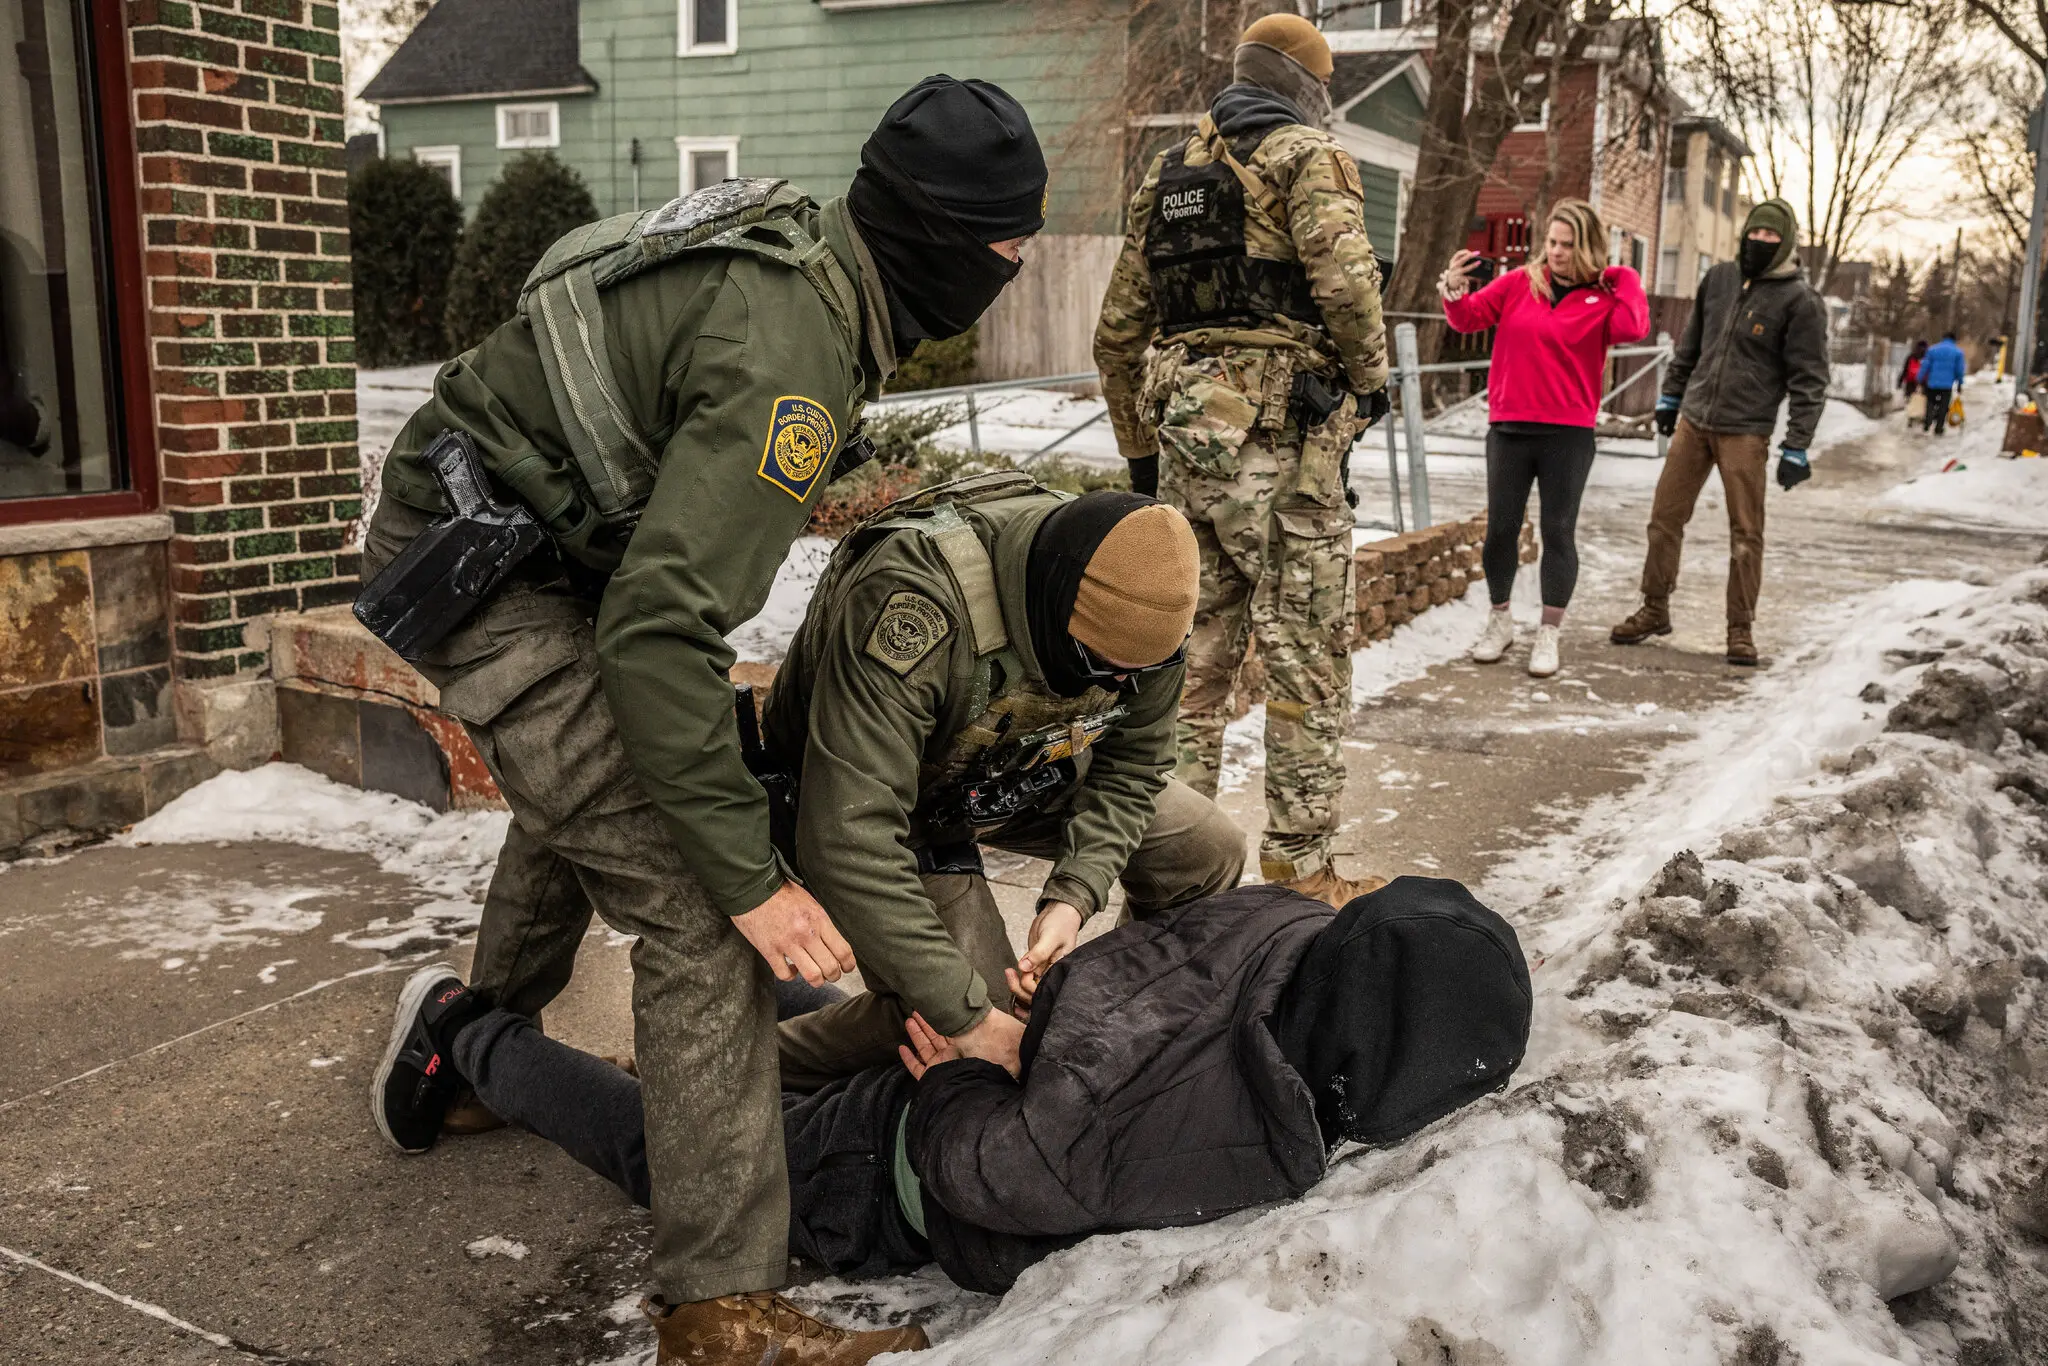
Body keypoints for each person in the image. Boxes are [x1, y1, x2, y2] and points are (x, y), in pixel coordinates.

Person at [362, 77, 1047, 1362]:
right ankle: (719, 1305)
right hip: (487, 565)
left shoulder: (816, 258)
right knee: (697, 916)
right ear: (944, 242)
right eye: (1007, 248)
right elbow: (657, 635)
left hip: (528, 528)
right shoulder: (793, 354)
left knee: (608, 789)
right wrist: (750, 882)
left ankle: (462, 1047)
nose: (1011, 269)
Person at [379, 874, 1532, 1346]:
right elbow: (993, 1173)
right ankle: (464, 1034)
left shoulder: (1284, 931)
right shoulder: (1240, 1134)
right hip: (889, 1172)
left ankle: (715, 994)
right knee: (670, 1153)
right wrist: (963, 1085)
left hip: (993, 1048)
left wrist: (999, 1048)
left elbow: (1141, 968)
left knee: (843, 1032)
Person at [758, 476, 1248, 1087]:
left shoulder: (1146, 620)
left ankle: (1109, 1021)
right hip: (887, 806)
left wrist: (1073, 894)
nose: (1124, 687)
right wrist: (970, 1019)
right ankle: (742, 1068)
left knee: (1205, 849)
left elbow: (1133, 766)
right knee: (960, 1016)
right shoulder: (916, 601)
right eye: (1104, 669)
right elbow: (846, 837)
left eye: (1144, 672)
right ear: (1053, 609)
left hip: (1013, 769)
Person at [1094, 14, 1392, 907]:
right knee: (1307, 655)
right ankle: (1301, 876)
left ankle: (1179, 880)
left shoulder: (1171, 171)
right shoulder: (1308, 159)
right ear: (1306, 83)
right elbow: (1346, 289)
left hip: (1189, 444)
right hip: (1286, 446)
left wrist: (1141, 460)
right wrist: (1370, 383)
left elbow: (1116, 336)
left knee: (1191, 672)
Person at [1610, 199, 1829, 668]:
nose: (1761, 242)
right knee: (1664, 519)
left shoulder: (1800, 301)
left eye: (1772, 237)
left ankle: (1740, 628)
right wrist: (1670, 398)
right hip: (1695, 421)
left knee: (1746, 534)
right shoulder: (1721, 280)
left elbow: (1810, 380)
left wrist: (1797, 445)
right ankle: (1654, 608)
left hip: (1745, 432)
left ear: (1786, 242)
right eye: (1756, 233)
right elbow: (1690, 346)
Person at [1438, 200, 1649, 679]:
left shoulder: (1603, 298)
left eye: (1569, 245)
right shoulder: (1519, 284)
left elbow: (1634, 326)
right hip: (1509, 427)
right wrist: (1453, 287)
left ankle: (1548, 632)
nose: (1556, 252)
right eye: (1552, 242)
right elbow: (1467, 318)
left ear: (1588, 247)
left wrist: (1623, 276)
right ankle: (1500, 620)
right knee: (1501, 530)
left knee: (1557, 532)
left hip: (1568, 434)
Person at [1919, 331, 1967, 436]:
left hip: (1932, 383)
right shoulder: (1958, 352)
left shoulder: (1932, 350)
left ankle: (1927, 423)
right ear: (1954, 340)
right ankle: (1939, 428)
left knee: (1930, 403)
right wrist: (1960, 382)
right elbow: (1960, 370)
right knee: (1943, 406)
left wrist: (1920, 378)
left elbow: (1925, 365)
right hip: (1946, 385)